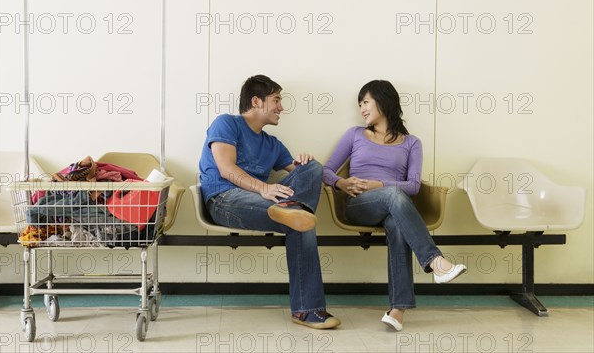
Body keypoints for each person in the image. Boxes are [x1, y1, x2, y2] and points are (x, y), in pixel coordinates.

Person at [322, 80, 466, 331]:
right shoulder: (354, 134)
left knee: (397, 222)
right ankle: (436, 262)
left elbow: (413, 186)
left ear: (382, 100)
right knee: (393, 196)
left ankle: (397, 310)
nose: (362, 109)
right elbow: (325, 171)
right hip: (359, 206)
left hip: (392, 205)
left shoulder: (412, 143)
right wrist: (341, 184)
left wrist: (379, 184)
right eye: (360, 105)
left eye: (365, 102)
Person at [199, 75, 341, 329]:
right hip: (225, 200)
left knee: (313, 169)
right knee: (299, 220)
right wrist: (264, 188)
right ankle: (307, 310)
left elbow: (299, 173)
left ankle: (293, 212)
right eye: (276, 100)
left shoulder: (272, 144)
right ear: (256, 101)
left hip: (265, 203)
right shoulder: (226, 123)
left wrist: (311, 167)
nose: (281, 107)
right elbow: (226, 168)